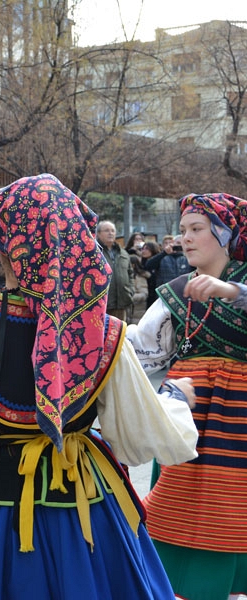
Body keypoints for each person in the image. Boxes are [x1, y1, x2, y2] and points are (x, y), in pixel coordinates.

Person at [0, 173, 199, 600]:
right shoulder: (103, 332)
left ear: (4, 243)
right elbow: (152, 436)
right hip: (86, 500)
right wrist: (176, 396)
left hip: (0, 505)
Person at [126, 192, 247, 600]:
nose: (186, 239)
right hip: (189, 420)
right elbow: (139, 351)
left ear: (226, 235)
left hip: (239, 425)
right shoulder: (176, 293)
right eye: (182, 231)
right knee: (181, 510)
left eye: (197, 229)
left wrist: (231, 291)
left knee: (236, 512)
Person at [96, 220, 134, 321]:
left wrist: (130, 291)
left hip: (121, 303)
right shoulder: (94, 252)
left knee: (120, 334)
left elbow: (130, 274)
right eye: (106, 230)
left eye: (113, 231)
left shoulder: (123, 253)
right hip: (102, 304)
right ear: (98, 234)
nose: (110, 233)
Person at [130, 254, 150, 323]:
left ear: (133, 265)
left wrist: (130, 297)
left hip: (137, 313)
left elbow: (144, 294)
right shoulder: (128, 276)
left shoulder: (140, 277)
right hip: (130, 313)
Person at [140, 241, 160, 308]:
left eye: (146, 249)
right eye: (142, 249)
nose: (143, 251)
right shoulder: (140, 263)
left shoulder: (159, 263)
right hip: (144, 297)